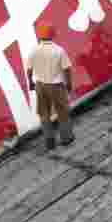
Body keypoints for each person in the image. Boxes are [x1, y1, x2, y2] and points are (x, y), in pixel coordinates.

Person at [26, 22, 75, 150]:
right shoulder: (59, 51)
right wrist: (69, 84)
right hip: (56, 86)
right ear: (52, 34)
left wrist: (30, 82)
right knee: (62, 112)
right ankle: (66, 138)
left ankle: (49, 141)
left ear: (39, 35)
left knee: (44, 113)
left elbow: (29, 69)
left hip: (40, 85)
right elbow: (67, 69)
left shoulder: (34, 50)